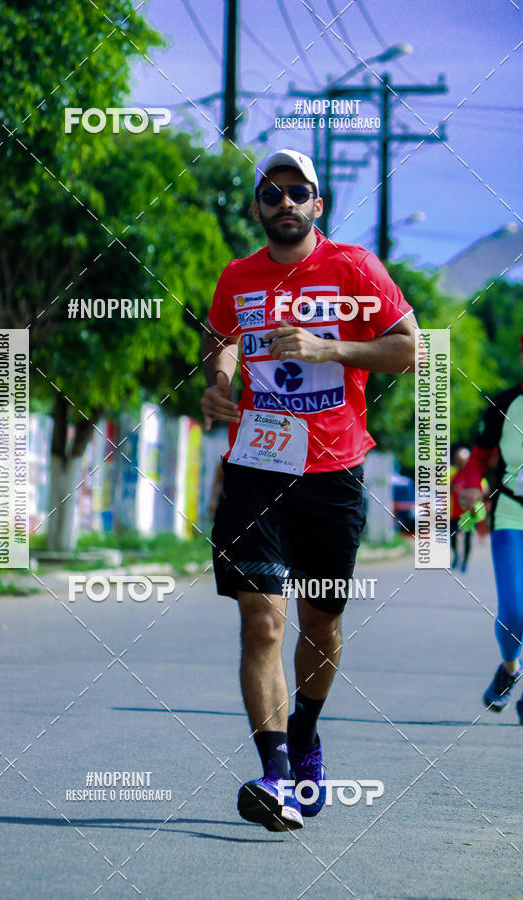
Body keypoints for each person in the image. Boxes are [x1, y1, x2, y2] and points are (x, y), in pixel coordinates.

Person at [200, 149, 417, 831]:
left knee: (320, 625)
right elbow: (222, 340)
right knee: (261, 620)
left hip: (333, 474)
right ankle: (276, 777)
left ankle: (305, 735)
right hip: (256, 467)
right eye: (272, 192)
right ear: (258, 205)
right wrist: (219, 382)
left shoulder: (353, 268)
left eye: (298, 192)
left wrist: (330, 350)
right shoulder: (238, 277)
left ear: (317, 205)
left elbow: (408, 349)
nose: (284, 201)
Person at [460, 333, 523, 721]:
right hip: (511, 514)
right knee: (515, 613)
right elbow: (477, 460)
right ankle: (510, 669)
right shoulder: (504, 403)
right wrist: (469, 486)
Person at [450, 447, 473, 571]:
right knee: (452, 538)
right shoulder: (451, 473)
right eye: (458, 460)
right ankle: (456, 555)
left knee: (467, 539)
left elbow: (483, 486)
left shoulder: (472, 473)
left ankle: (465, 561)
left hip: (468, 514)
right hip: (454, 513)